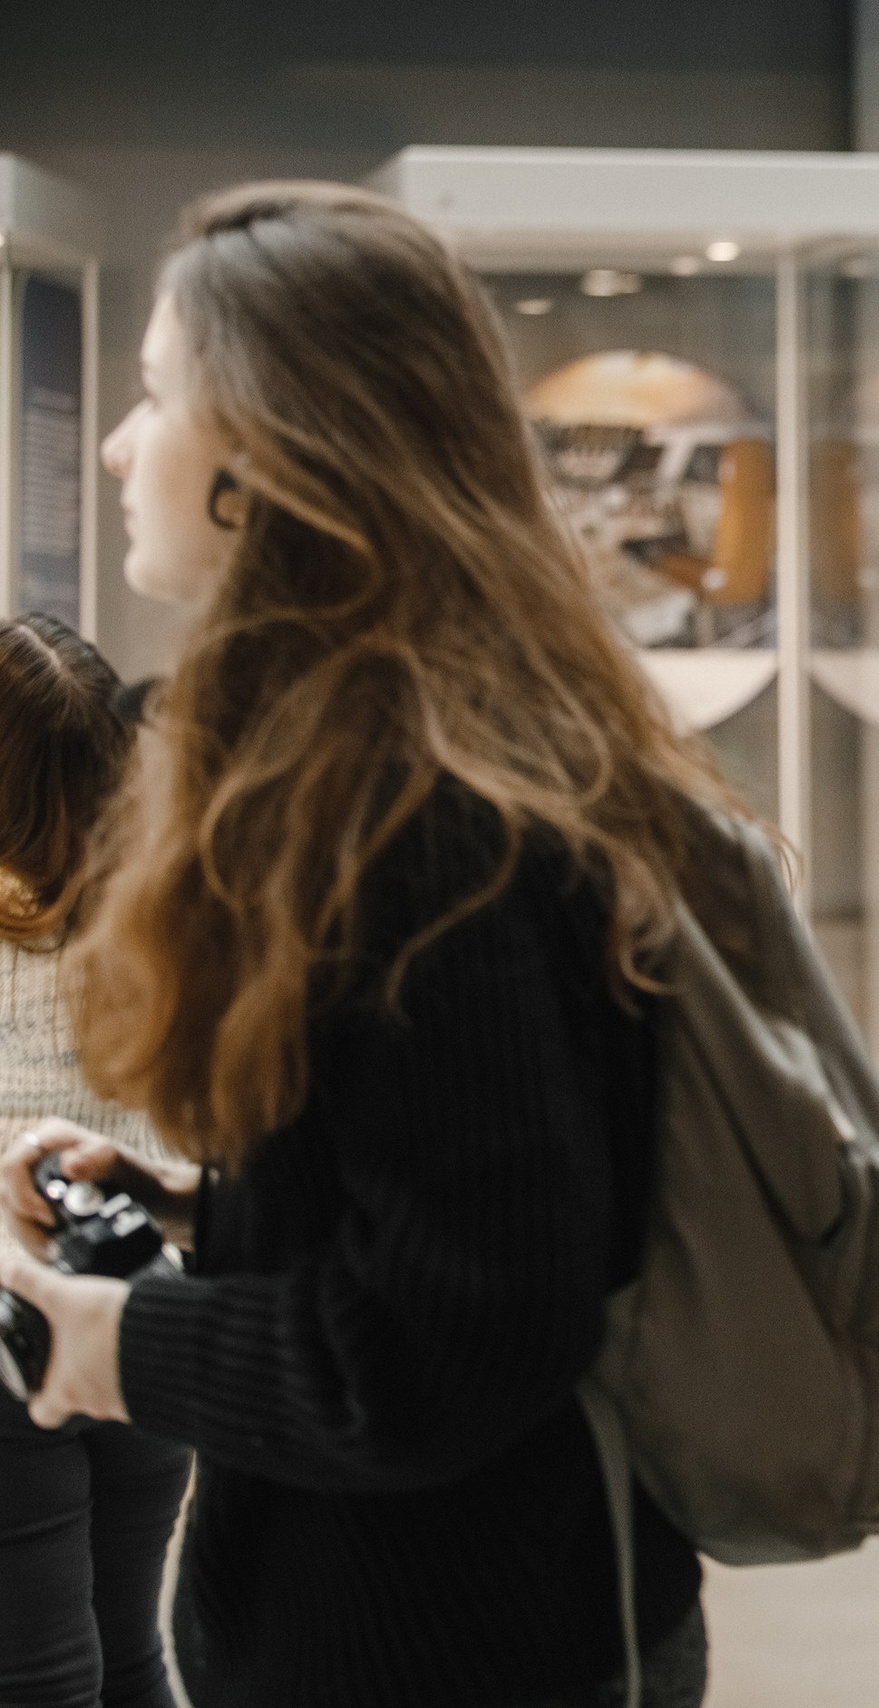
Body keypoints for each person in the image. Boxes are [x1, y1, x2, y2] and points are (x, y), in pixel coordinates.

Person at [0, 180, 732, 1708]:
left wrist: (121, 1342)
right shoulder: (416, 752)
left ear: (262, 462)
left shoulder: (411, 808)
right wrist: (195, 1209)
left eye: (153, 400)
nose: (124, 448)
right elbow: (444, 1216)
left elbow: (458, 1337)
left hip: (447, 1639)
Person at [0, 614, 191, 1708]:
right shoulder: (165, 928)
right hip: (149, 1319)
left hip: (15, 1336)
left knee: (35, 1676)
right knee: (130, 1650)